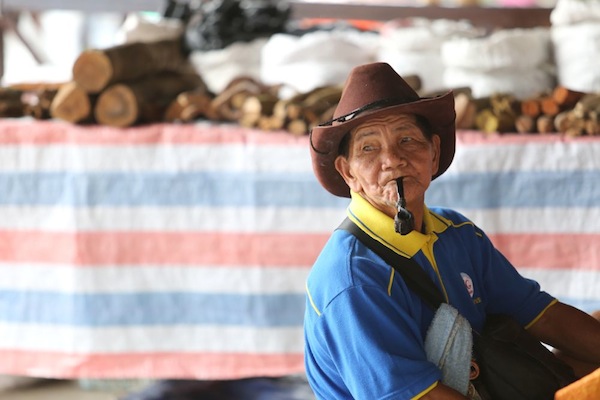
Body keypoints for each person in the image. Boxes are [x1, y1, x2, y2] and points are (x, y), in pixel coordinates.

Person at [304, 62, 600, 399]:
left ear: (434, 154)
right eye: (369, 148)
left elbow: (539, 313)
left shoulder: (458, 233)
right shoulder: (352, 279)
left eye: (407, 140)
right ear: (348, 173)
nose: (393, 159)